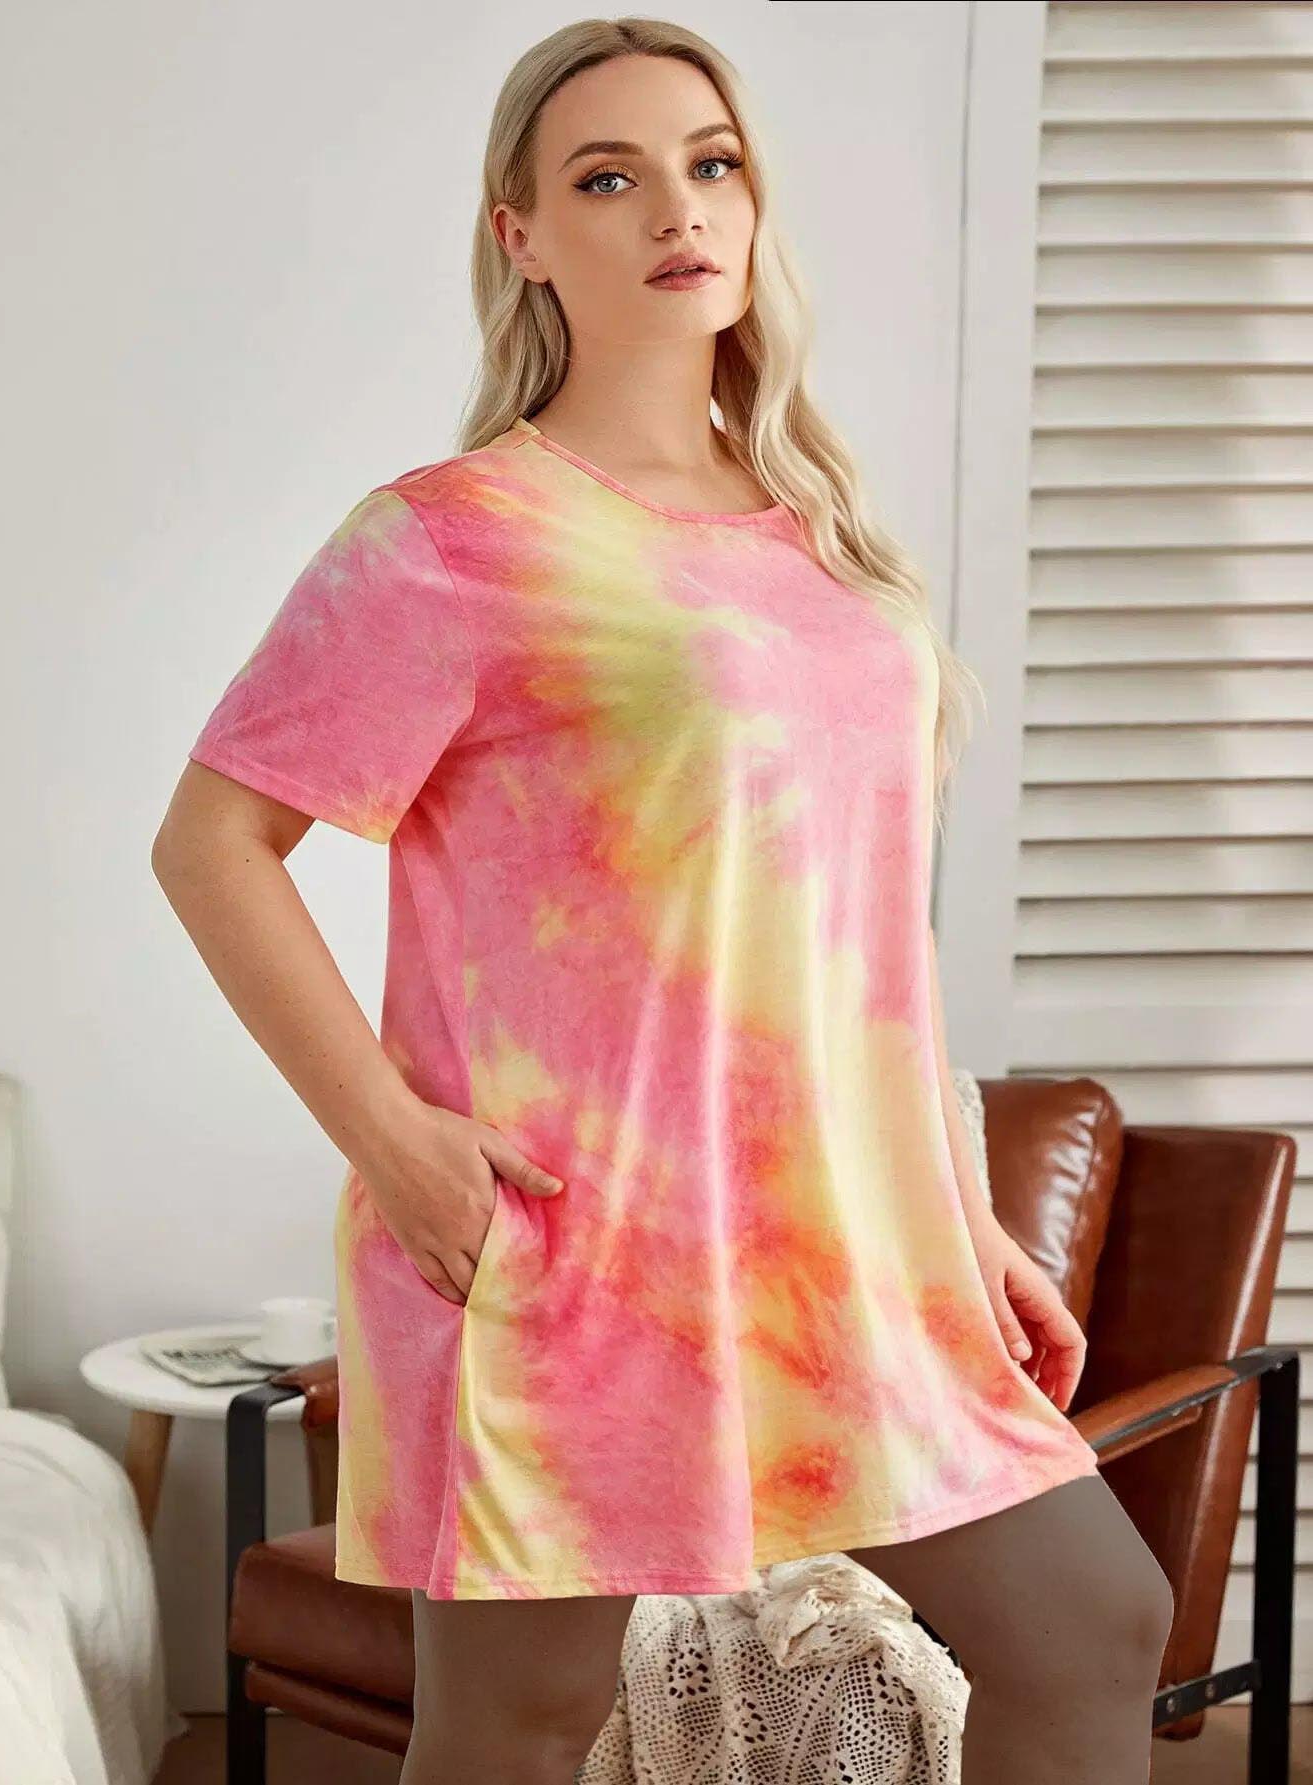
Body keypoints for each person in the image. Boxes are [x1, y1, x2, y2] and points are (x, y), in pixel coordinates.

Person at [151, 16, 1175, 1784]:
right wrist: (394, 1138)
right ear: (523, 237)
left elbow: (865, 946)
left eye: (711, 164)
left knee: (1090, 1623)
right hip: (581, 1250)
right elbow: (209, 845)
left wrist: (959, 1219)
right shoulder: (452, 538)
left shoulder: (824, 542)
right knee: (517, 1725)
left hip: (845, 1253)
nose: (676, 209)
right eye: (607, 177)